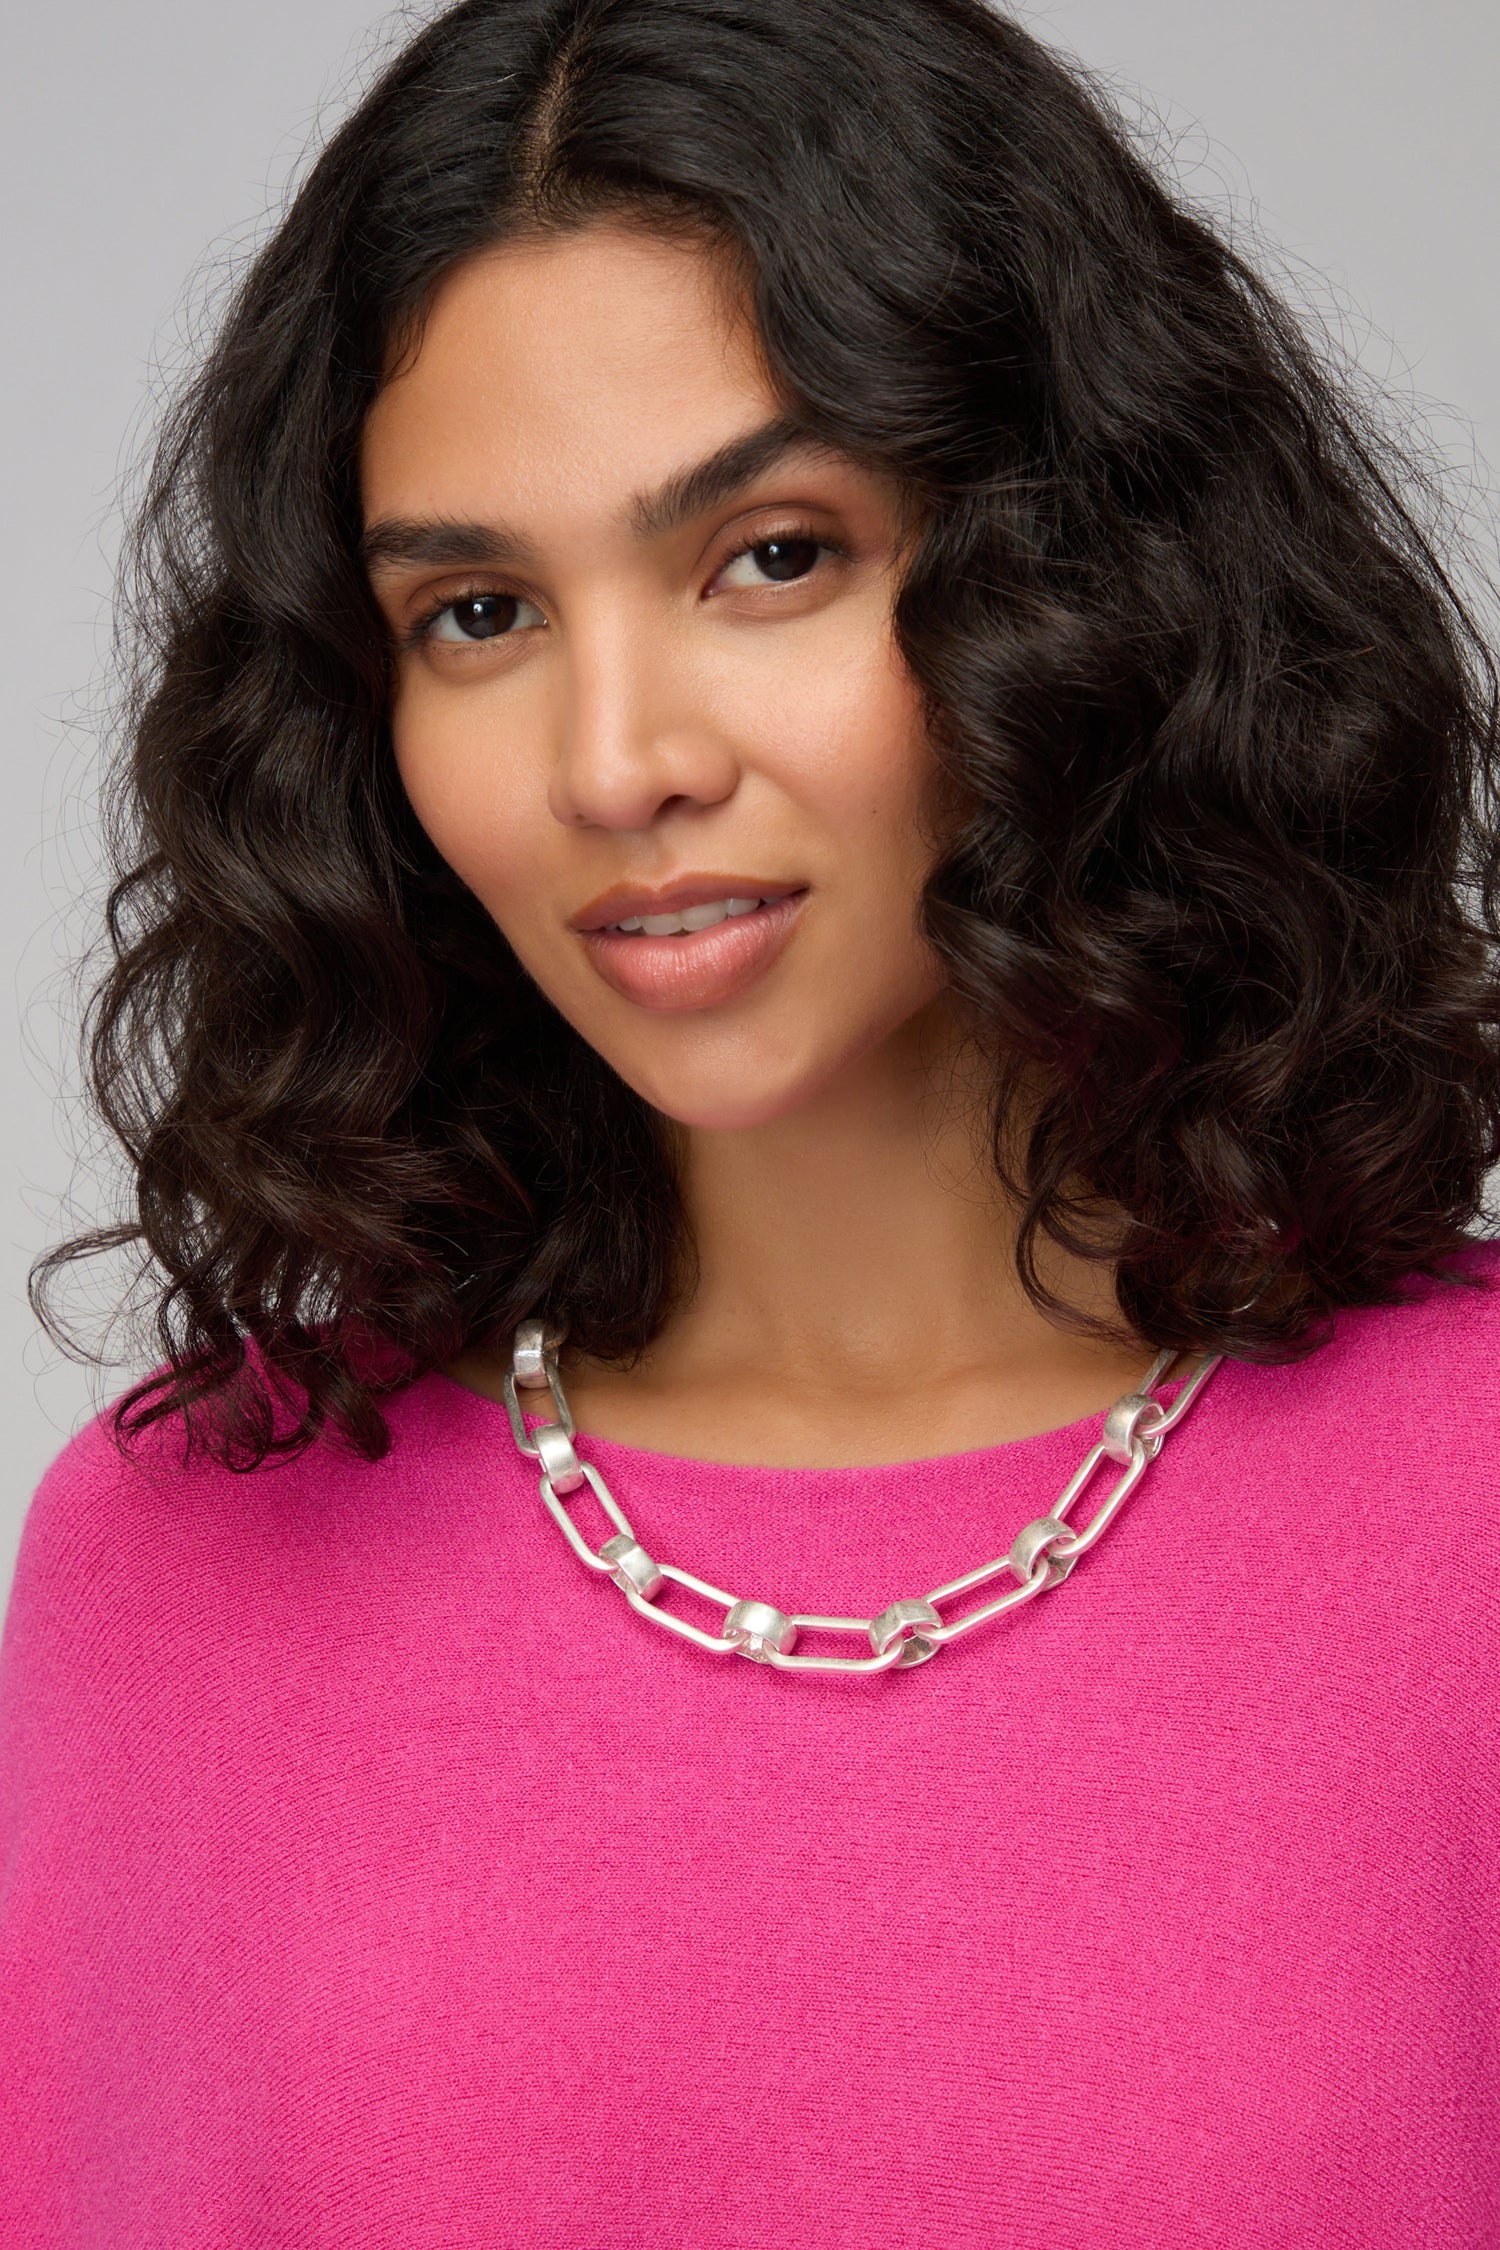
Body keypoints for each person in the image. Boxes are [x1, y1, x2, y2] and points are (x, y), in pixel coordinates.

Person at [3, 0, 1498, 2240]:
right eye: (480, 612)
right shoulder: (189, 1564)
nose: (617, 761)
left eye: (770, 555)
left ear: (1069, 574)